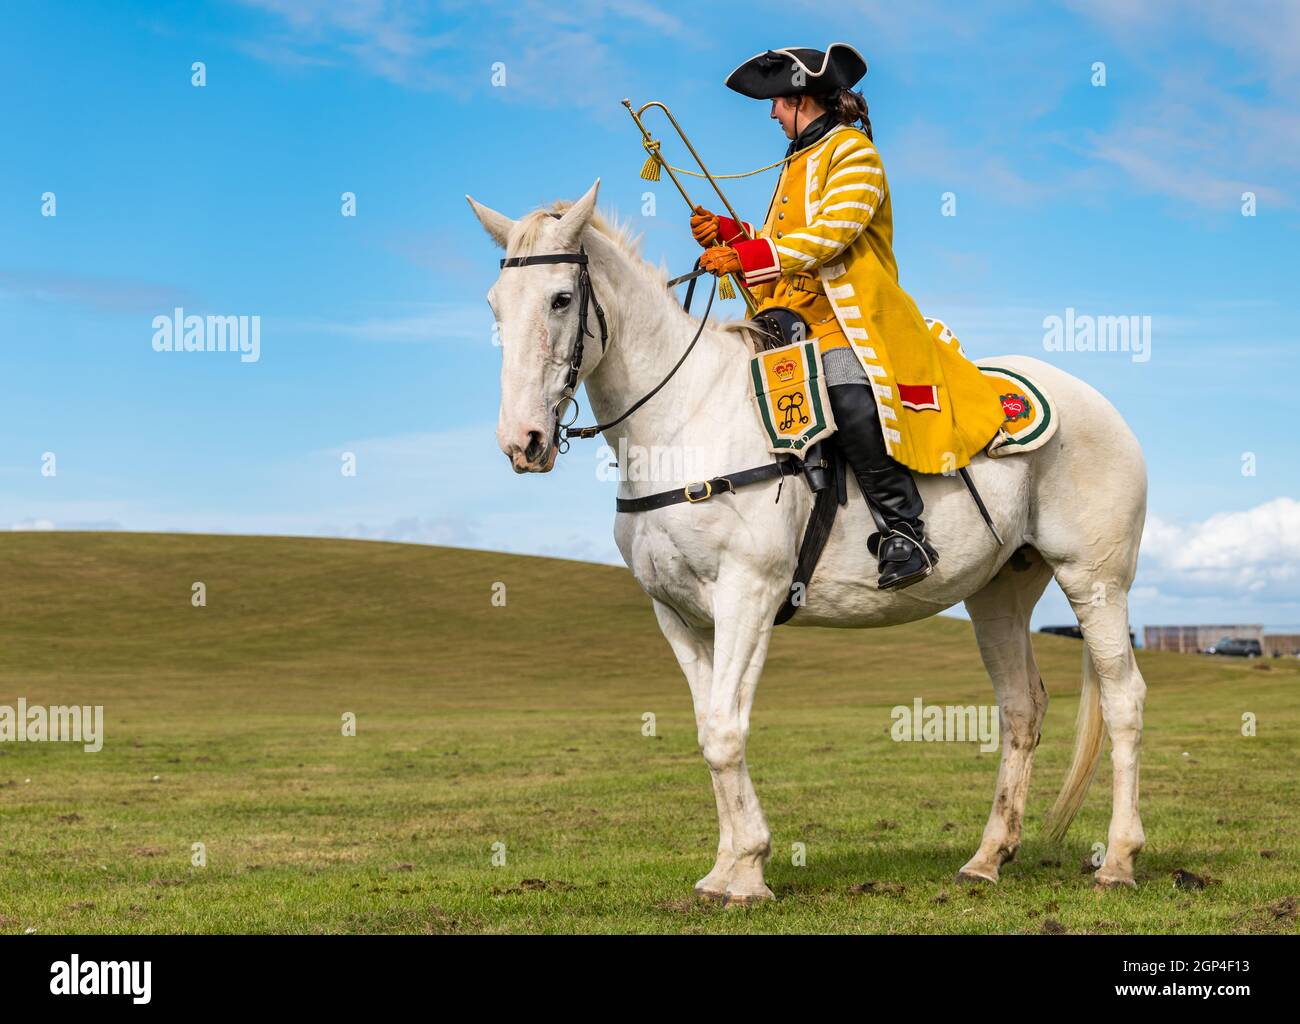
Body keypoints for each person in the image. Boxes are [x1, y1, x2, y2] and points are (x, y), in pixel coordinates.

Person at [691, 43, 1006, 590]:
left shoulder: (855, 154)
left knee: (843, 392)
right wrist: (735, 234)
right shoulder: (797, 162)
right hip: (790, 318)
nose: (770, 114)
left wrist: (748, 254)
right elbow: (786, 243)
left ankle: (904, 531)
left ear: (801, 99)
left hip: (847, 318)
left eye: (776, 103)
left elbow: (833, 233)